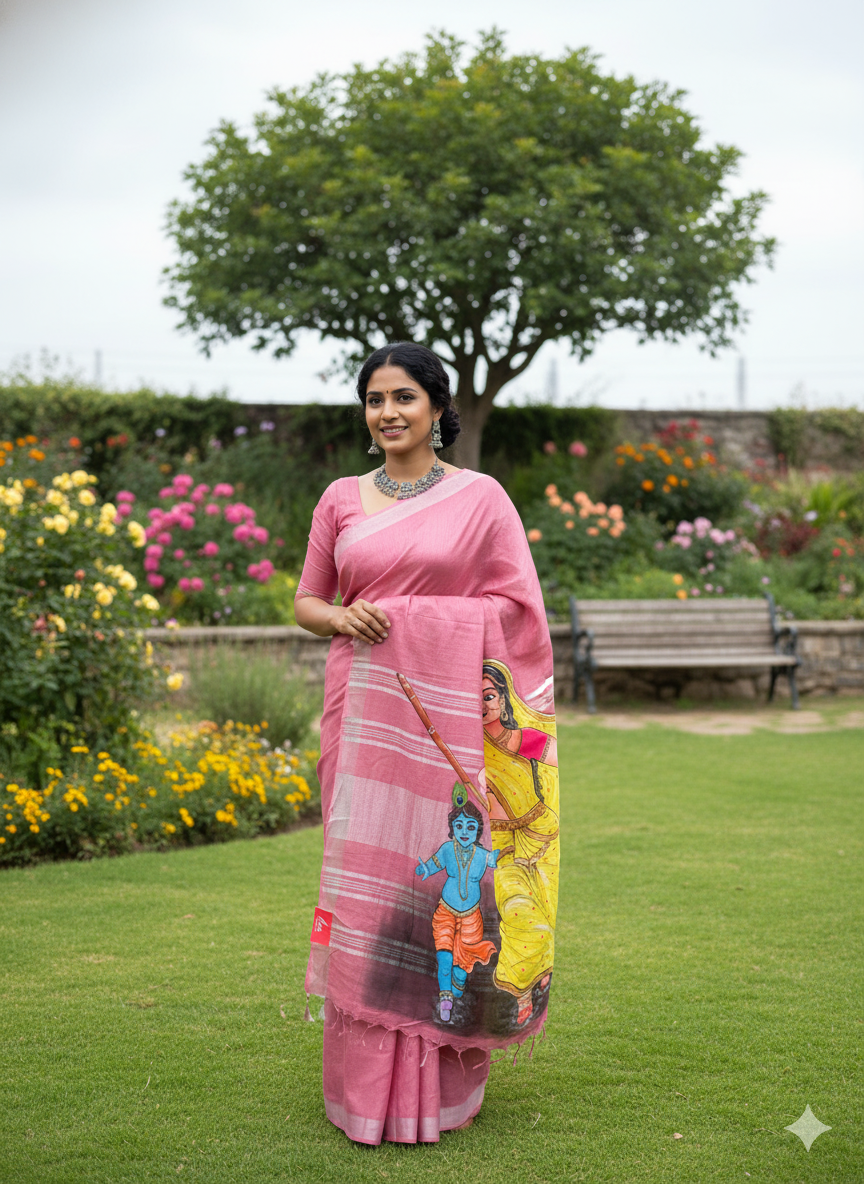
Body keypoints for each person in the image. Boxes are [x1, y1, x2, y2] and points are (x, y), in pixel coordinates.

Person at [295, 341, 559, 1146]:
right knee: (374, 887)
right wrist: (344, 616)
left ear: (439, 409)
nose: (388, 414)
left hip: (449, 722)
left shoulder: (481, 499)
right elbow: (307, 601)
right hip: (366, 710)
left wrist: (425, 621)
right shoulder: (340, 498)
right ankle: (366, 1086)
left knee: (450, 887)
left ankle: (438, 1084)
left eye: (404, 397)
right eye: (374, 400)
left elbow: (517, 611)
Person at [415, 800, 500, 1022]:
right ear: (452, 829)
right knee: (444, 956)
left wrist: (500, 856)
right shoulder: (447, 849)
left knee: (462, 968)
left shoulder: (482, 855)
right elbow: (434, 864)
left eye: (470, 827)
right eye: (459, 826)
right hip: (445, 912)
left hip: (472, 917)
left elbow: (496, 861)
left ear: (478, 832)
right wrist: (425, 869)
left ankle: (457, 985)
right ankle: (446, 1000)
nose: (464, 832)